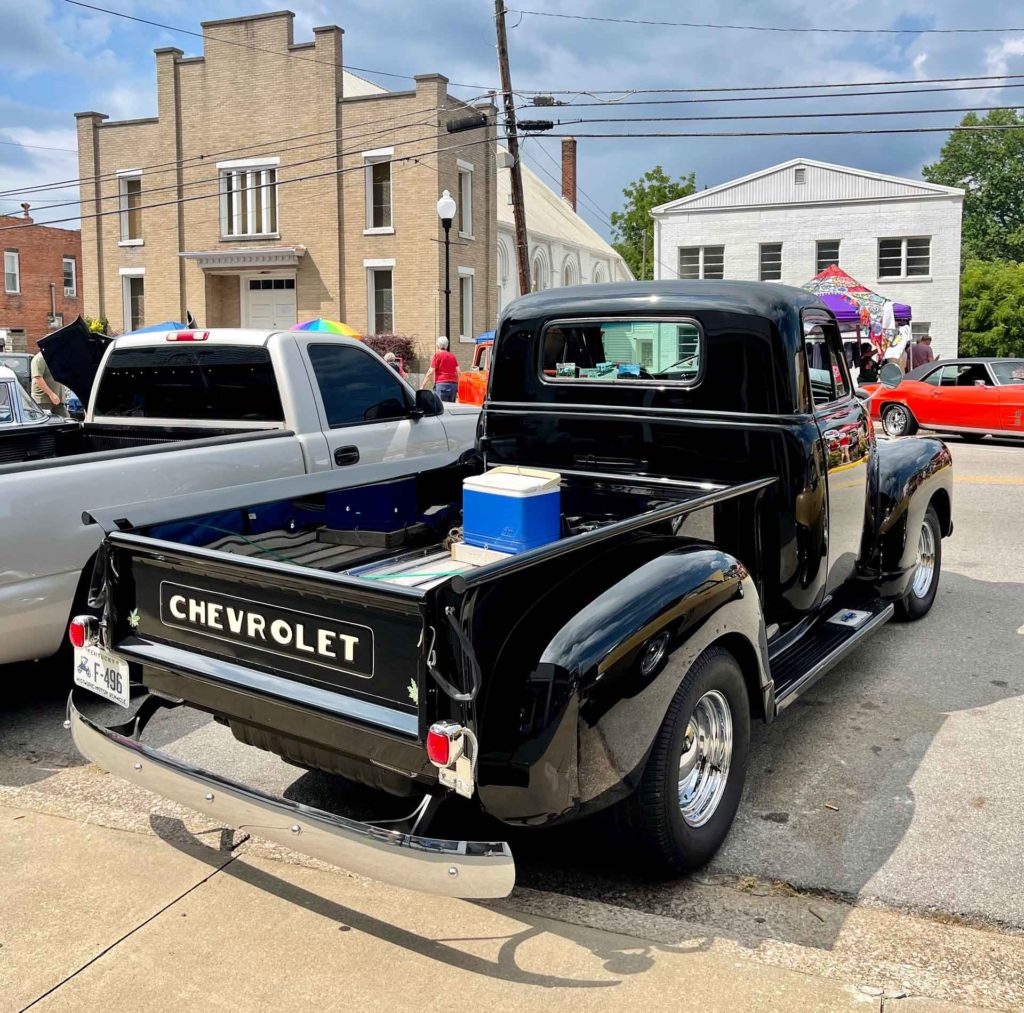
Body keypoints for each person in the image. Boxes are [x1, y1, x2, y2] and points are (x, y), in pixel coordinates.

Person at [421, 336, 459, 402]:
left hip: (442, 385)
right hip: (453, 385)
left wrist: (423, 385)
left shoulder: (437, 356)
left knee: (441, 407)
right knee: (451, 406)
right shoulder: (452, 356)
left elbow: (430, 372)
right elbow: (458, 371)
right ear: (447, 345)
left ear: (437, 345)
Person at [30, 350, 67, 417]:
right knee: (45, 423)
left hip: (59, 400)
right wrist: (51, 394)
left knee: (66, 421)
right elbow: (38, 378)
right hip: (43, 401)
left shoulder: (54, 358)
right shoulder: (39, 358)